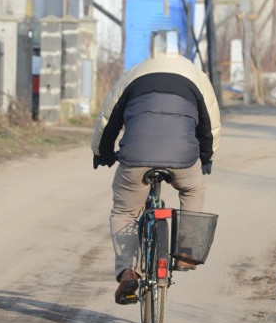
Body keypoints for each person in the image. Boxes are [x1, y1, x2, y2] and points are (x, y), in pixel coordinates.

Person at [91, 30, 221, 305]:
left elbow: (108, 118)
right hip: (183, 158)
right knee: (193, 189)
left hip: (136, 157)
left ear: (152, 49)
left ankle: (128, 272)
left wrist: (101, 152)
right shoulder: (196, 75)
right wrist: (207, 156)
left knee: (125, 212)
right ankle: (186, 253)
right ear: (179, 48)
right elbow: (210, 122)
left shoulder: (134, 73)